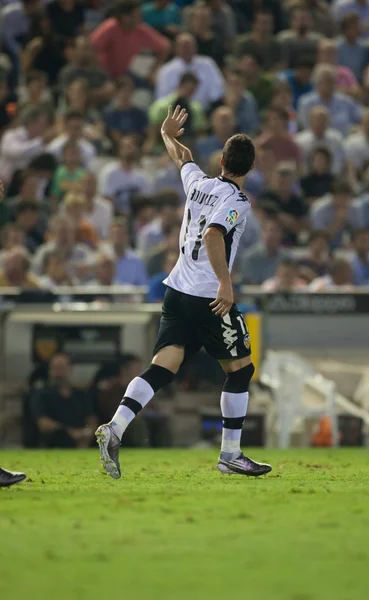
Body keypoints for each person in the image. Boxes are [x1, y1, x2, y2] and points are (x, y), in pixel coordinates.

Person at [96, 105, 272, 479]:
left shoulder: (199, 182)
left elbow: (184, 158)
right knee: (240, 369)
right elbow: (213, 235)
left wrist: (166, 135)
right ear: (251, 169)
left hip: (176, 289)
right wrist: (226, 283)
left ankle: (115, 427)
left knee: (164, 366)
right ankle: (230, 454)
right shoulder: (238, 201)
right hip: (210, 296)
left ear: (222, 160)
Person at [90, 0, 170, 80]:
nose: (140, 18)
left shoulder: (140, 29)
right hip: (103, 75)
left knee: (147, 89)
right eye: (137, 15)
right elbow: (89, 46)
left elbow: (165, 47)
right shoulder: (110, 27)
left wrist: (152, 71)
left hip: (125, 74)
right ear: (125, 17)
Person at [31, 352, 97, 448]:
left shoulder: (81, 395)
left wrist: (87, 433)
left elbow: (91, 419)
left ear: (70, 370)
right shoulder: (42, 394)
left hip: (82, 444)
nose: (59, 373)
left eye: (62, 368)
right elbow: (43, 423)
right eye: (55, 368)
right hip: (53, 444)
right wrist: (70, 433)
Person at [155, 32, 224, 110]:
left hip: (205, 112)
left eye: (189, 46)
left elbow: (217, 93)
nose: (186, 49)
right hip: (175, 114)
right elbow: (161, 99)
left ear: (196, 47)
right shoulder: (166, 70)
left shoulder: (207, 64)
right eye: (183, 46)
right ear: (176, 49)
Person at [146, 72, 206, 154]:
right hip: (162, 147)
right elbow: (153, 131)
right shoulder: (161, 106)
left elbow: (200, 132)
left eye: (193, 90)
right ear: (181, 85)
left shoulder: (196, 108)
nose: (190, 92)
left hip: (189, 147)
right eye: (188, 89)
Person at [299, 65, 362, 136]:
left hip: (344, 142)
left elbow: (361, 117)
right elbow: (305, 127)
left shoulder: (345, 100)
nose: (329, 84)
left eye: (332, 81)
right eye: (326, 81)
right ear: (317, 83)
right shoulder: (306, 102)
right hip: (316, 141)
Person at [0, 106, 53, 184]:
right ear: (31, 123)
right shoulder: (11, 135)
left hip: (25, 187)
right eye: (42, 124)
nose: (44, 128)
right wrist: (41, 142)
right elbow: (17, 153)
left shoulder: (40, 143)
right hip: (3, 185)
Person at [259, 162, 309, 246]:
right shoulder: (266, 196)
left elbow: (303, 225)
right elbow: (264, 210)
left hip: (292, 242)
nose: (282, 183)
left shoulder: (297, 201)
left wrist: (290, 223)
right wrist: (281, 216)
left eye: (286, 181)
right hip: (269, 241)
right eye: (280, 179)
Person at [101, 135, 152, 215]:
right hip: (115, 216)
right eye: (127, 147)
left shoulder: (142, 175)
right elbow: (107, 200)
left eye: (132, 146)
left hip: (138, 218)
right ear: (119, 150)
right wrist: (123, 214)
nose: (130, 150)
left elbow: (147, 200)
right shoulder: (110, 172)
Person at [58, 35, 113, 106]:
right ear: (76, 51)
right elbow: (68, 95)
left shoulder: (100, 72)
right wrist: (99, 93)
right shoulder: (67, 73)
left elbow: (110, 91)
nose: (87, 52)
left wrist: (83, 94)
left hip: (99, 111)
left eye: (89, 49)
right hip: (74, 112)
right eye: (84, 49)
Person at [311, 178, 362, 248]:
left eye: (346, 196)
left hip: (347, 249)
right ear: (333, 196)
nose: (344, 200)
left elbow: (359, 233)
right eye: (341, 196)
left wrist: (352, 244)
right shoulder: (320, 209)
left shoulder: (354, 209)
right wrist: (337, 221)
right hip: (324, 249)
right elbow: (318, 240)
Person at [296, 105, 346, 176]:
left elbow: (338, 163)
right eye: (317, 120)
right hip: (307, 180)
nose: (320, 123)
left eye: (323, 120)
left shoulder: (336, 138)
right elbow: (301, 166)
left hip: (331, 180)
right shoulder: (300, 141)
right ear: (310, 121)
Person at [234, 8, 285, 72]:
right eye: (263, 23)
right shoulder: (242, 43)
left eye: (270, 23)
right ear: (254, 24)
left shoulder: (278, 45)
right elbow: (235, 65)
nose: (267, 26)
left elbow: (281, 66)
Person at [240, 215, 286, 285]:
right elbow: (250, 283)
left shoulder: (287, 257)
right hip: (254, 294)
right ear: (262, 234)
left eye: (276, 231)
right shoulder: (249, 257)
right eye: (269, 231)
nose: (272, 235)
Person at [101, 217, 148, 285]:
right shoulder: (102, 258)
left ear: (127, 236)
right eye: (114, 234)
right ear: (109, 236)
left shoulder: (137, 261)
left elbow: (143, 286)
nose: (117, 238)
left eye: (120, 234)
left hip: (130, 295)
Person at [104, 76, 148, 146]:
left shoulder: (140, 114)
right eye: (123, 92)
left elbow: (143, 133)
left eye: (128, 92)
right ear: (116, 93)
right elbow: (113, 134)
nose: (125, 95)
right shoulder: (109, 114)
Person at [223, 69, 259, 136]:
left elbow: (253, 128)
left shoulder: (249, 101)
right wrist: (231, 108)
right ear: (226, 85)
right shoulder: (218, 101)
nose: (234, 87)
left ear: (244, 86)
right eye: (231, 83)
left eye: (238, 84)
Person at [187, 3, 224, 67]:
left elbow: (221, 66)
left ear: (210, 20)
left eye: (204, 19)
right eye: (197, 19)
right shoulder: (186, 41)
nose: (200, 22)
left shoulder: (216, 42)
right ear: (191, 20)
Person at [337, 12, 369, 83]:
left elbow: (366, 70)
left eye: (357, 26)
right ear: (344, 29)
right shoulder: (336, 46)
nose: (355, 29)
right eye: (352, 27)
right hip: (340, 85)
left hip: (358, 86)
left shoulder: (364, 48)